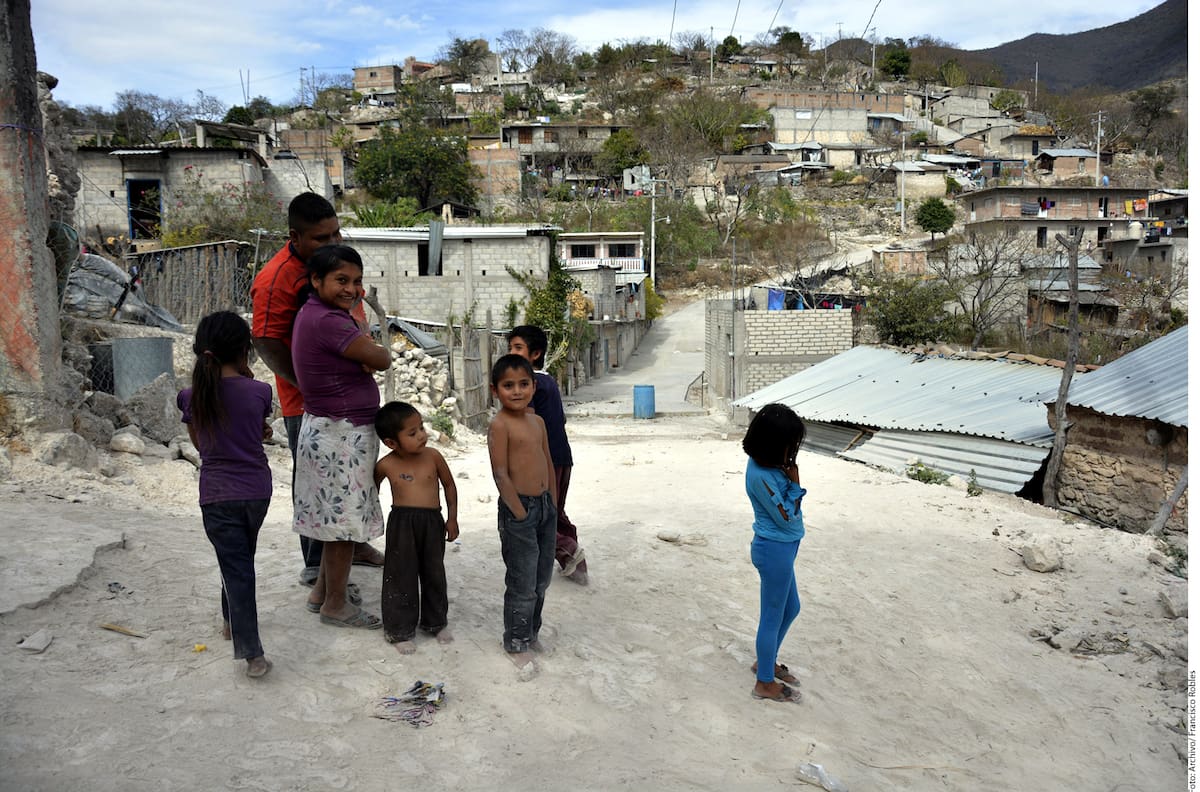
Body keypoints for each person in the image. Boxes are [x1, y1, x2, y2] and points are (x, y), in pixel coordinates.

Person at [250, 193, 384, 593]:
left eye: (336, 233)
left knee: (349, 483)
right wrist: (311, 385)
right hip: (310, 404)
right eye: (321, 238)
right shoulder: (276, 279)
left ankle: (352, 546)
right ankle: (315, 566)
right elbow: (265, 341)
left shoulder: (331, 268)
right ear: (296, 236)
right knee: (318, 487)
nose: (332, 243)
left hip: (346, 404)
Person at [291, 244, 391, 629]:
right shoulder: (331, 322)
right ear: (316, 281)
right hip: (341, 435)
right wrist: (368, 346)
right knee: (343, 525)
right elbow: (382, 358)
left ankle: (321, 591)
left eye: (357, 281)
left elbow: (371, 356)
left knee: (335, 518)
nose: (352, 289)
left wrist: (365, 349)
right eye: (342, 280)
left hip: (332, 429)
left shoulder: (317, 313)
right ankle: (336, 604)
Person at [176, 311, 274, 679]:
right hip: (256, 491)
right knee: (239, 560)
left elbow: (201, 444)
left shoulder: (190, 396)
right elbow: (256, 429)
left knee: (234, 563)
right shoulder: (261, 391)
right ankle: (232, 623)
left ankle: (251, 652)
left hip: (217, 493)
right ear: (244, 350)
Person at [487, 354, 557, 669]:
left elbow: (547, 462)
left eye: (524, 384)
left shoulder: (538, 421)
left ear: (533, 385)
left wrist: (552, 503)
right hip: (520, 512)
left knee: (541, 579)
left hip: (544, 508)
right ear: (495, 390)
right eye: (508, 385)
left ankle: (531, 632)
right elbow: (500, 473)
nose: (517, 391)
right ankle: (516, 642)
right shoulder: (499, 425)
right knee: (522, 582)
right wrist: (518, 512)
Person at [373, 401, 459, 653]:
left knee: (434, 572)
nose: (422, 435)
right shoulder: (385, 465)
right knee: (401, 574)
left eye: (421, 428)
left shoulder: (433, 456)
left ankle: (435, 622)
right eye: (412, 433)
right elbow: (370, 492)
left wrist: (452, 518)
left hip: (432, 521)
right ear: (391, 443)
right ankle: (399, 629)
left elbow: (450, 486)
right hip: (401, 523)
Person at [507, 325, 587, 585]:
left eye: (518, 348)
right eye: (510, 348)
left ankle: (569, 552)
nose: (512, 353)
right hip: (563, 456)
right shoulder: (549, 380)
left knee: (540, 516)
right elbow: (560, 419)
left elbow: (525, 422)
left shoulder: (531, 385)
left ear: (535, 353)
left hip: (545, 462)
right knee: (555, 510)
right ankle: (575, 560)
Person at [742, 403, 808, 703]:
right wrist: (795, 485)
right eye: (788, 446)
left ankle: (765, 662)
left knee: (790, 609)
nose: (791, 452)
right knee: (771, 615)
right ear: (772, 447)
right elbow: (787, 517)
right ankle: (764, 682)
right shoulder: (762, 477)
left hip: (783, 548)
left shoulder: (768, 466)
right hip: (774, 551)